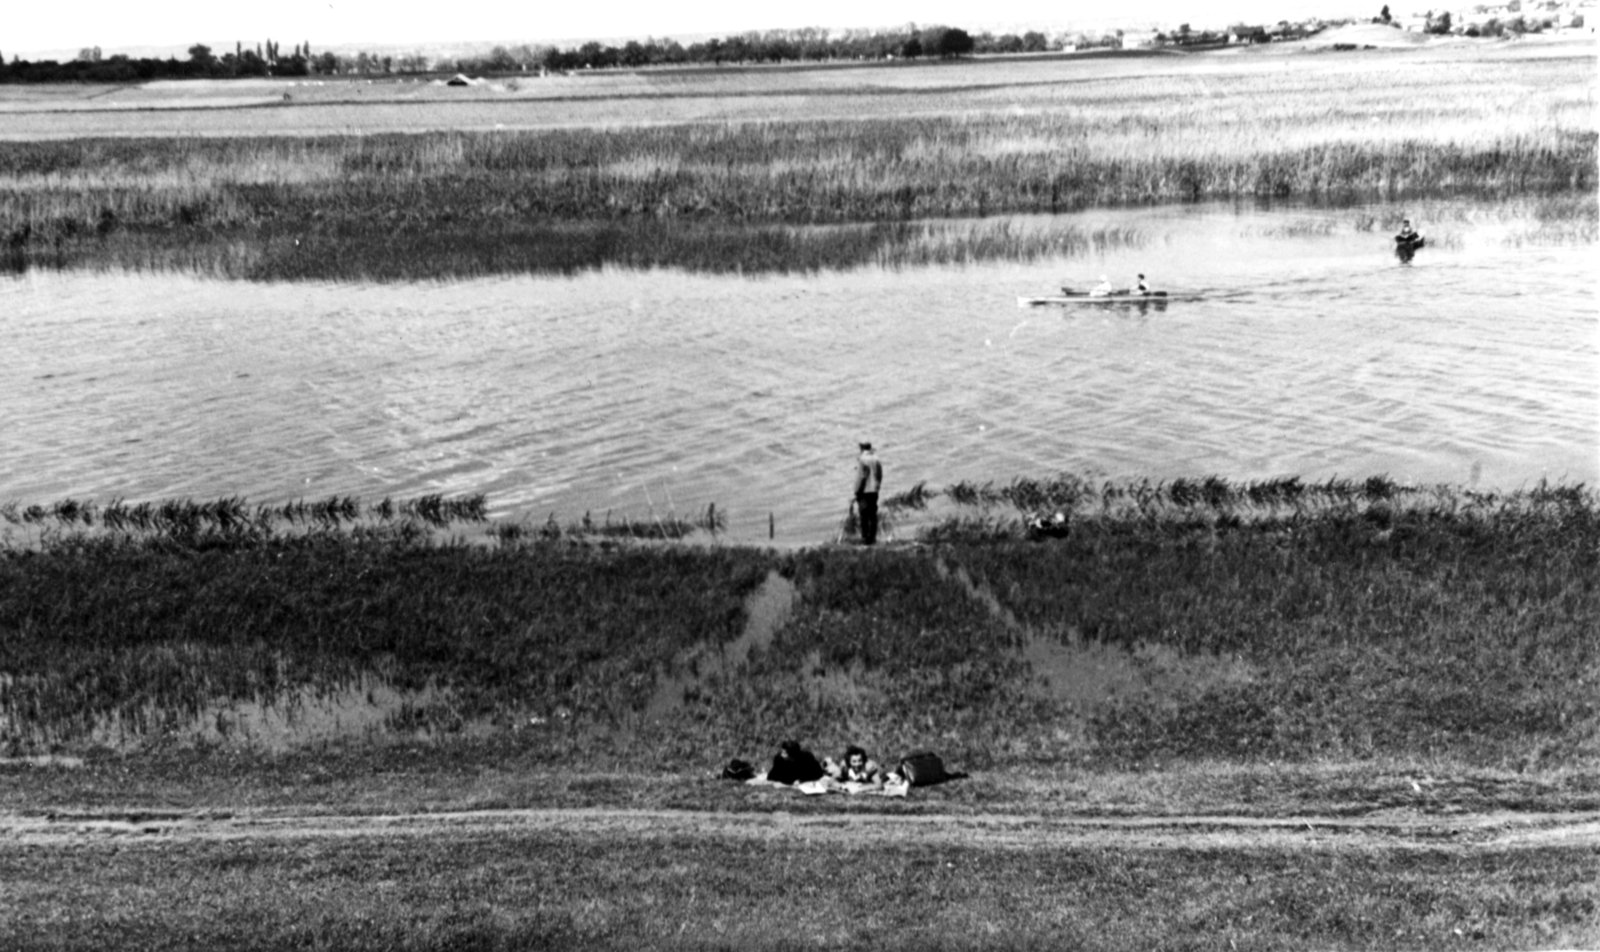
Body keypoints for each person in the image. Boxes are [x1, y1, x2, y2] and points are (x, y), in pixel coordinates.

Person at [853, 442, 883, 546]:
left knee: (863, 514)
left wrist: (858, 491)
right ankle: (872, 538)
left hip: (864, 491)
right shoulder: (876, 458)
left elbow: (862, 476)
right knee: (873, 515)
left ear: (861, 448)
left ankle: (865, 538)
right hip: (874, 490)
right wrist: (878, 485)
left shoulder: (862, 459)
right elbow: (879, 474)